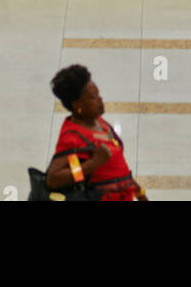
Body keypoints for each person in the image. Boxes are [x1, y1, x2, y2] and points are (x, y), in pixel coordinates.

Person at [45, 66, 146, 200]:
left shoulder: (101, 124)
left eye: (98, 94)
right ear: (77, 105)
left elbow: (119, 166)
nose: (100, 100)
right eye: (93, 97)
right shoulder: (72, 137)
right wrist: (92, 163)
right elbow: (54, 179)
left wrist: (141, 194)